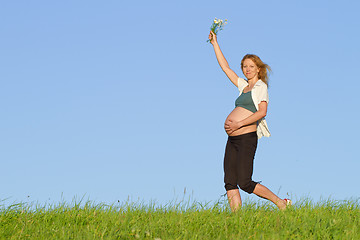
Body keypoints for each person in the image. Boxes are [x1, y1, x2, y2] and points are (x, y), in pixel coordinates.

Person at [208, 31, 291, 211]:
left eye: (251, 66)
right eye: (244, 66)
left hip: (246, 139)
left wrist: (238, 124)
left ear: (258, 69)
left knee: (244, 182)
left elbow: (262, 112)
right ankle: (237, 221)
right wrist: (215, 43)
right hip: (232, 139)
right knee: (229, 181)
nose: (247, 69)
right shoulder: (243, 86)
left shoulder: (261, 87)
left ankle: (281, 203)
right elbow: (225, 68)